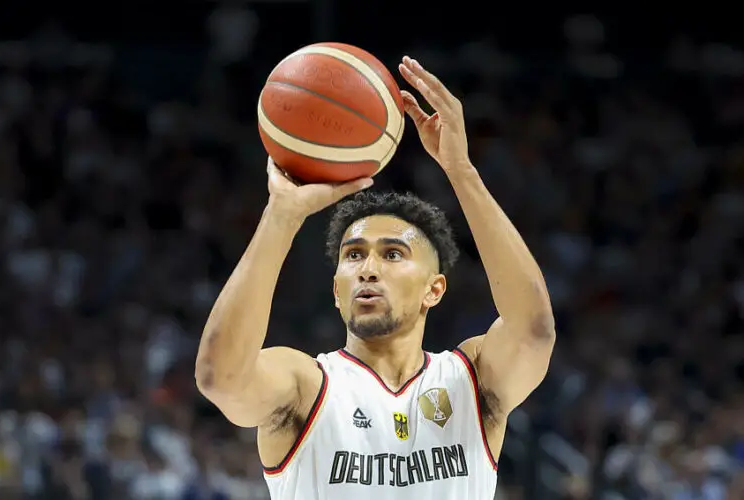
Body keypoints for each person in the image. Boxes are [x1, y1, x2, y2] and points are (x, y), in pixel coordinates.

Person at [195, 55, 556, 499]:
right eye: (354, 255)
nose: (368, 267)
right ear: (336, 290)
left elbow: (534, 330)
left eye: (392, 254)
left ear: (434, 289)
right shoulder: (307, 387)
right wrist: (281, 217)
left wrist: (461, 172)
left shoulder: (470, 382)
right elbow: (221, 377)